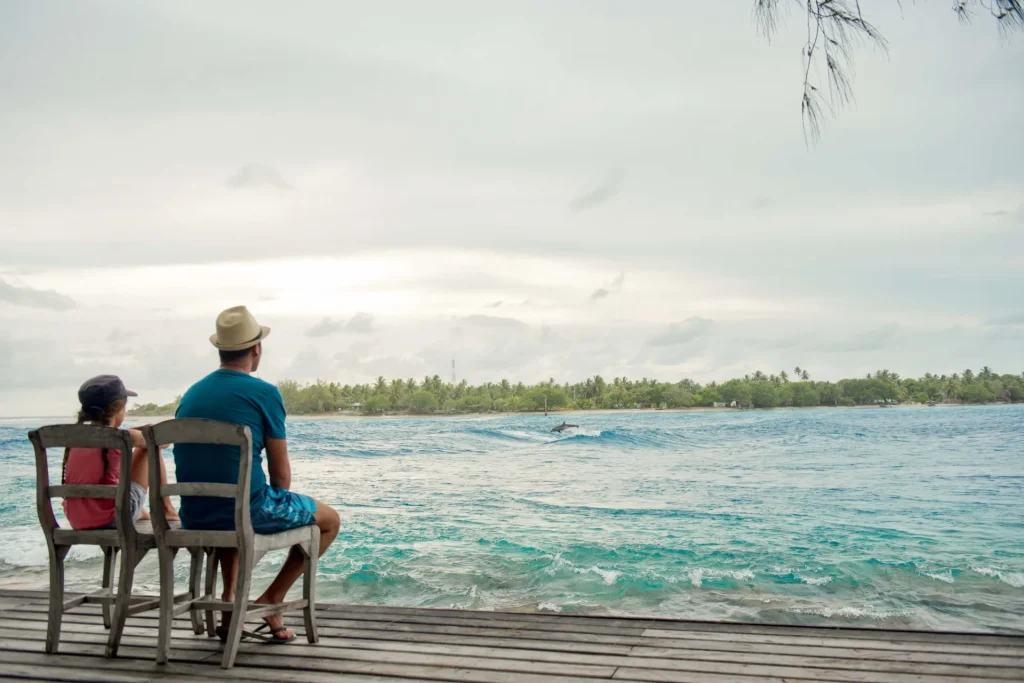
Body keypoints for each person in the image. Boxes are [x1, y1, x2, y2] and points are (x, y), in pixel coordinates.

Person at [174, 305, 341, 643]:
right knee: (329, 520)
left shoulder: (191, 394)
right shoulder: (264, 393)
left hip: (196, 514)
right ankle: (272, 600)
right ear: (256, 349)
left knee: (233, 503)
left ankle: (230, 600)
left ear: (220, 349)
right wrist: (280, 498)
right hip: (243, 512)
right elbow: (281, 477)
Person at [62, 375, 179, 529]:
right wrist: (144, 433)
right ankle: (167, 510)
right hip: (112, 516)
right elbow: (162, 442)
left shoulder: (75, 437)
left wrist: (132, 433)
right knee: (149, 447)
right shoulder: (124, 437)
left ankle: (142, 513)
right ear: (118, 410)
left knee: (120, 491)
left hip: (77, 518)